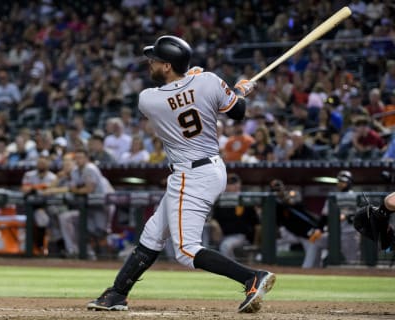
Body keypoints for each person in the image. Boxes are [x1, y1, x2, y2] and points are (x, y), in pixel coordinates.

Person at [88, 35, 275, 314]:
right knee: (152, 235)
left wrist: (197, 82)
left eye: (155, 60)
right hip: (209, 167)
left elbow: (177, 94)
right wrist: (239, 90)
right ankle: (116, 294)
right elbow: (237, 111)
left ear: (167, 66)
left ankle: (251, 277)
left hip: (192, 174)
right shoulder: (208, 81)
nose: (150, 64)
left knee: (187, 251)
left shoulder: (148, 99)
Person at [60, 148, 115, 259]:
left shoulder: (90, 168)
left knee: (99, 232)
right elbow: (73, 188)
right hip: (88, 208)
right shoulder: (75, 171)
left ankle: (105, 258)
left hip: (102, 206)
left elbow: (89, 189)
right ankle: (74, 251)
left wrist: (77, 190)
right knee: (66, 218)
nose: (79, 160)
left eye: (81, 157)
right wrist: (78, 190)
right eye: (77, 158)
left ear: (87, 159)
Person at [308, 171, 361, 267]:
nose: (341, 184)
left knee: (353, 262)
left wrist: (348, 216)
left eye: (343, 182)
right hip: (333, 235)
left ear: (349, 182)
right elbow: (324, 216)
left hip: (350, 235)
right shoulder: (332, 197)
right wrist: (319, 229)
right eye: (339, 181)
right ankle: (312, 269)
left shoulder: (356, 197)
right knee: (315, 240)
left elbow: (362, 216)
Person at [212, 174, 260, 260]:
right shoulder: (220, 199)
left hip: (240, 236)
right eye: (229, 184)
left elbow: (256, 224)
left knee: (225, 246)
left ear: (239, 184)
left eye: (233, 183)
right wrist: (215, 224)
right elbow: (213, 218)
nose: (231, 186)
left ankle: (231, 269)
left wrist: (255, 242)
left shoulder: (245, 200)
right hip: (222, 235)